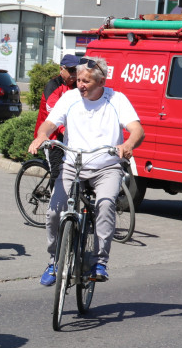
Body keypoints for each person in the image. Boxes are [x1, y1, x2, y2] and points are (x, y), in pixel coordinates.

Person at [29, 57, 144, 285]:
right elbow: (50, 123)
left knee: (105, 205)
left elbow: (137, 130)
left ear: (101, 82)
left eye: (86, 81)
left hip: (106, 166)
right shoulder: (70, 98)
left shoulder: (116, 100)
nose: (80, 84)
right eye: (79, 79)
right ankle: (54, 261)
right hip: (74, 165)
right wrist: (42, 136)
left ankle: (100, 262)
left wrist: (128, 144)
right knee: (54, 211)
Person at [33, 54, 81, 177]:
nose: (74, 74)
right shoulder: (53, 85)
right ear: (61, 69)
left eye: (77, 70)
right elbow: (54, 114)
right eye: (71, 70)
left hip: (69, 136)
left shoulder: (78, 86)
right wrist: (64, 131)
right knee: (57, 173)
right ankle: (54, 195)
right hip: (52, 136)